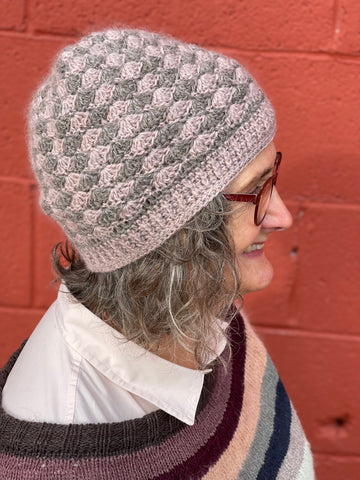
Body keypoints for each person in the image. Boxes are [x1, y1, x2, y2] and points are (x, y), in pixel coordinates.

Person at [0, 28, 315, 479]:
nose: (281, 216)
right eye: (256, 192)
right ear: (174, 237)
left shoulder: (202, 302)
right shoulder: (59, 459)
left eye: (273, 175)